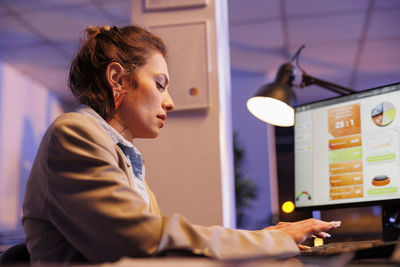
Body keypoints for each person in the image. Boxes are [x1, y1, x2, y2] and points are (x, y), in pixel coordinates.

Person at [22, 25, 340, 264]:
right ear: (118, 79)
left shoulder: (118, 151)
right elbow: (144, 240)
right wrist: (269, 239)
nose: (170, 102)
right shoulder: (75, 133)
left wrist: (266, 242)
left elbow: (160, 240)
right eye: (160, 85)